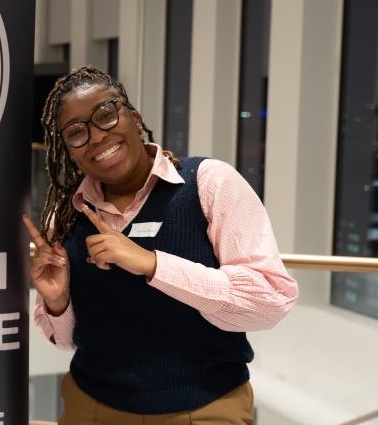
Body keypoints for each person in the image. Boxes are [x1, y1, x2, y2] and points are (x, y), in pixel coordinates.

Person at [23, 66, 298, 424]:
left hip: (203, 409)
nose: (95, 137)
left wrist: (153, 265)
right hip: (91, 408)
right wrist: (57, 303)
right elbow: (65, 342)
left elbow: (270, 300)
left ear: (134, 118)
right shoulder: (68, 215)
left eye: (105, 115)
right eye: (76, 133)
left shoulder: (207, 185)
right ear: (69, 150)